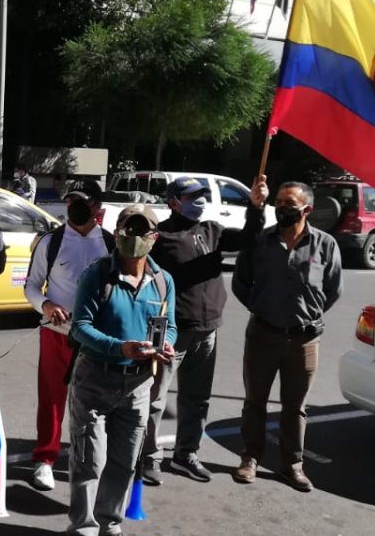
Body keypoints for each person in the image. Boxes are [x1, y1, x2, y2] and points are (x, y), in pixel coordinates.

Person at [137, 175, 268, 485]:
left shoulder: (212, 230)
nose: (200, 201)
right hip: (170, 331)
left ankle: (185, 454)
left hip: (207, 330)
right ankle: (149, 456)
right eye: (192, 196)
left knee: (197, 398)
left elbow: (249, 238)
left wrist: (256, 207)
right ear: (173, 202)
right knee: (155, 399)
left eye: (202, 195)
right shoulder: (160, 237)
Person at [67, 204, 176, 536]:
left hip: (138, 385)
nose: (134, 237)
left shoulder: (163, 281)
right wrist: (120, 348)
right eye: (129, 229)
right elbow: (80, 327)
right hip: (95, 380)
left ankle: (109, 524)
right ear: (116, 234)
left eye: (143, 231)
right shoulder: (97, 275)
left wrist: (167, 344)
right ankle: (84, 528)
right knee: (89, 460)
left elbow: (170, 326)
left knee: (124, 461)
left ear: (154, 238)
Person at [230, 181, 342, 492]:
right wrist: (263, 309)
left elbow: (333, 289)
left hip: (304, 340)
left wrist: (305, 315)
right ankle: (250, 457)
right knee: (255, 401)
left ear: (307, 209)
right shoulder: (260, 242)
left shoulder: (325, 244)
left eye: (289, 203)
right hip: (262, 335)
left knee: (295, 407)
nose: (281, 208)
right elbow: (241, 283)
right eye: (278, 202)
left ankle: (292, 465)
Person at [23, 179, 115, 491]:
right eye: (70, 200)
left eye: (81, 201)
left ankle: (88, 458)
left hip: (97, 338)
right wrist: (46, 305)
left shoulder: (111, 244)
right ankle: (45, 459)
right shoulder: (51, 242)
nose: (73, 206)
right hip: (56, 333)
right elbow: (31, 286)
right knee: (52, 397)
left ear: (96, 206)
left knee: (95, 402)